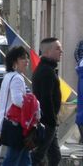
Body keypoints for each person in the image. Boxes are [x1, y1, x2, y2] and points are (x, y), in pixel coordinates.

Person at [0, 46, 31, 165]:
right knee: (13, 158)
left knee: (24, 157)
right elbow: (17, 101)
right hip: (16, 124)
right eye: (23, 58)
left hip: (8, 121)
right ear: (14, 61)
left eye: (27, 58)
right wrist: (33, 108)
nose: (27, 61)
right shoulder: (17, 78)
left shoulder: (8, 76)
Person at [31, 37, 63, 166]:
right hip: (46, 122)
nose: (61, 51)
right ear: (48, 52)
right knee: (37, 156)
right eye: (57, 49)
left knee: (55, 157)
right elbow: (45, 99)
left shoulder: (47, 69)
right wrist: (51, 121)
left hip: (49, 121)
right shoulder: (46, 71)